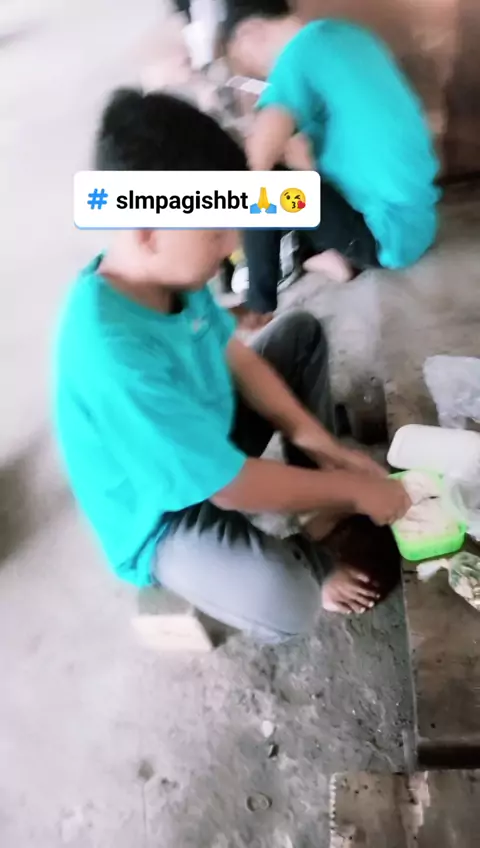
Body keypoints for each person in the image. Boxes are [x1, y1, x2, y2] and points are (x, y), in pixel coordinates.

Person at [54, 89, 410, 643]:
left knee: (298, 336)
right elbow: (230, 487)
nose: (231, 244)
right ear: (147, 231)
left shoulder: (167, 275)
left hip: (204, 438)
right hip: (165, 515)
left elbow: (236, 356)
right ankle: (310, 560)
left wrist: (321, 445)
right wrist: (355, 492)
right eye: (215, 230)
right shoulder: (111, 353)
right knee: (285, 602)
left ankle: (313, 503)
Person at [225, 0, 440, 327]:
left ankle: (257, 307)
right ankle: (331, 259)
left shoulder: (297, 55)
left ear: (250, 34)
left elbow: (258, 163)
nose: (259, 72)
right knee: (297, 181)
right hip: (419, 222)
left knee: (263, 190)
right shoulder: (347, 35)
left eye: (247, 61)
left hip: (384, 236)